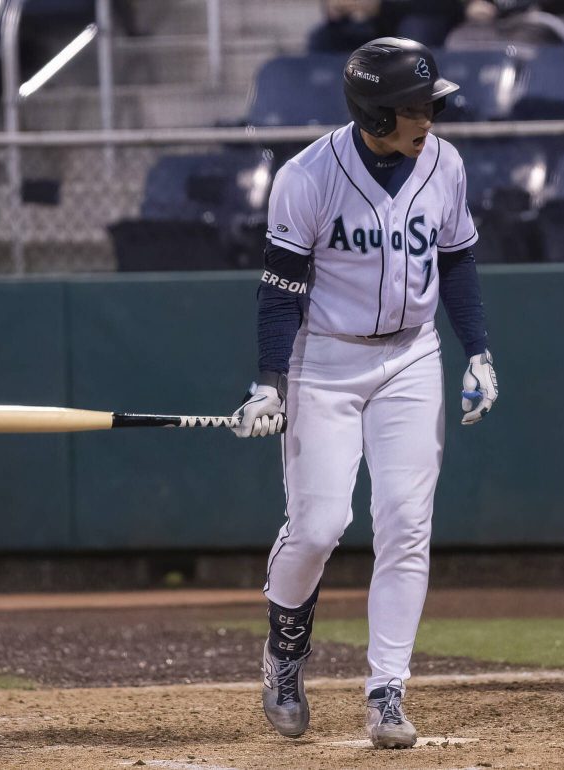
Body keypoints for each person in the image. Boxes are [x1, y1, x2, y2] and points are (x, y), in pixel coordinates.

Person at [232, 37, 498, 746]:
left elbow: (459, 263)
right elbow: (280, 292)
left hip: (411, 358)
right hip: (325, 361)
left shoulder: (444, 164)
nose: (429, 121)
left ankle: (387, 690)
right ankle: (285, 649)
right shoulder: (308, 176)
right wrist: (268, 382)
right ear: (377, 113)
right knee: (319, 528)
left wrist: (479, 353)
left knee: (407, 524)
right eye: (415, 109)